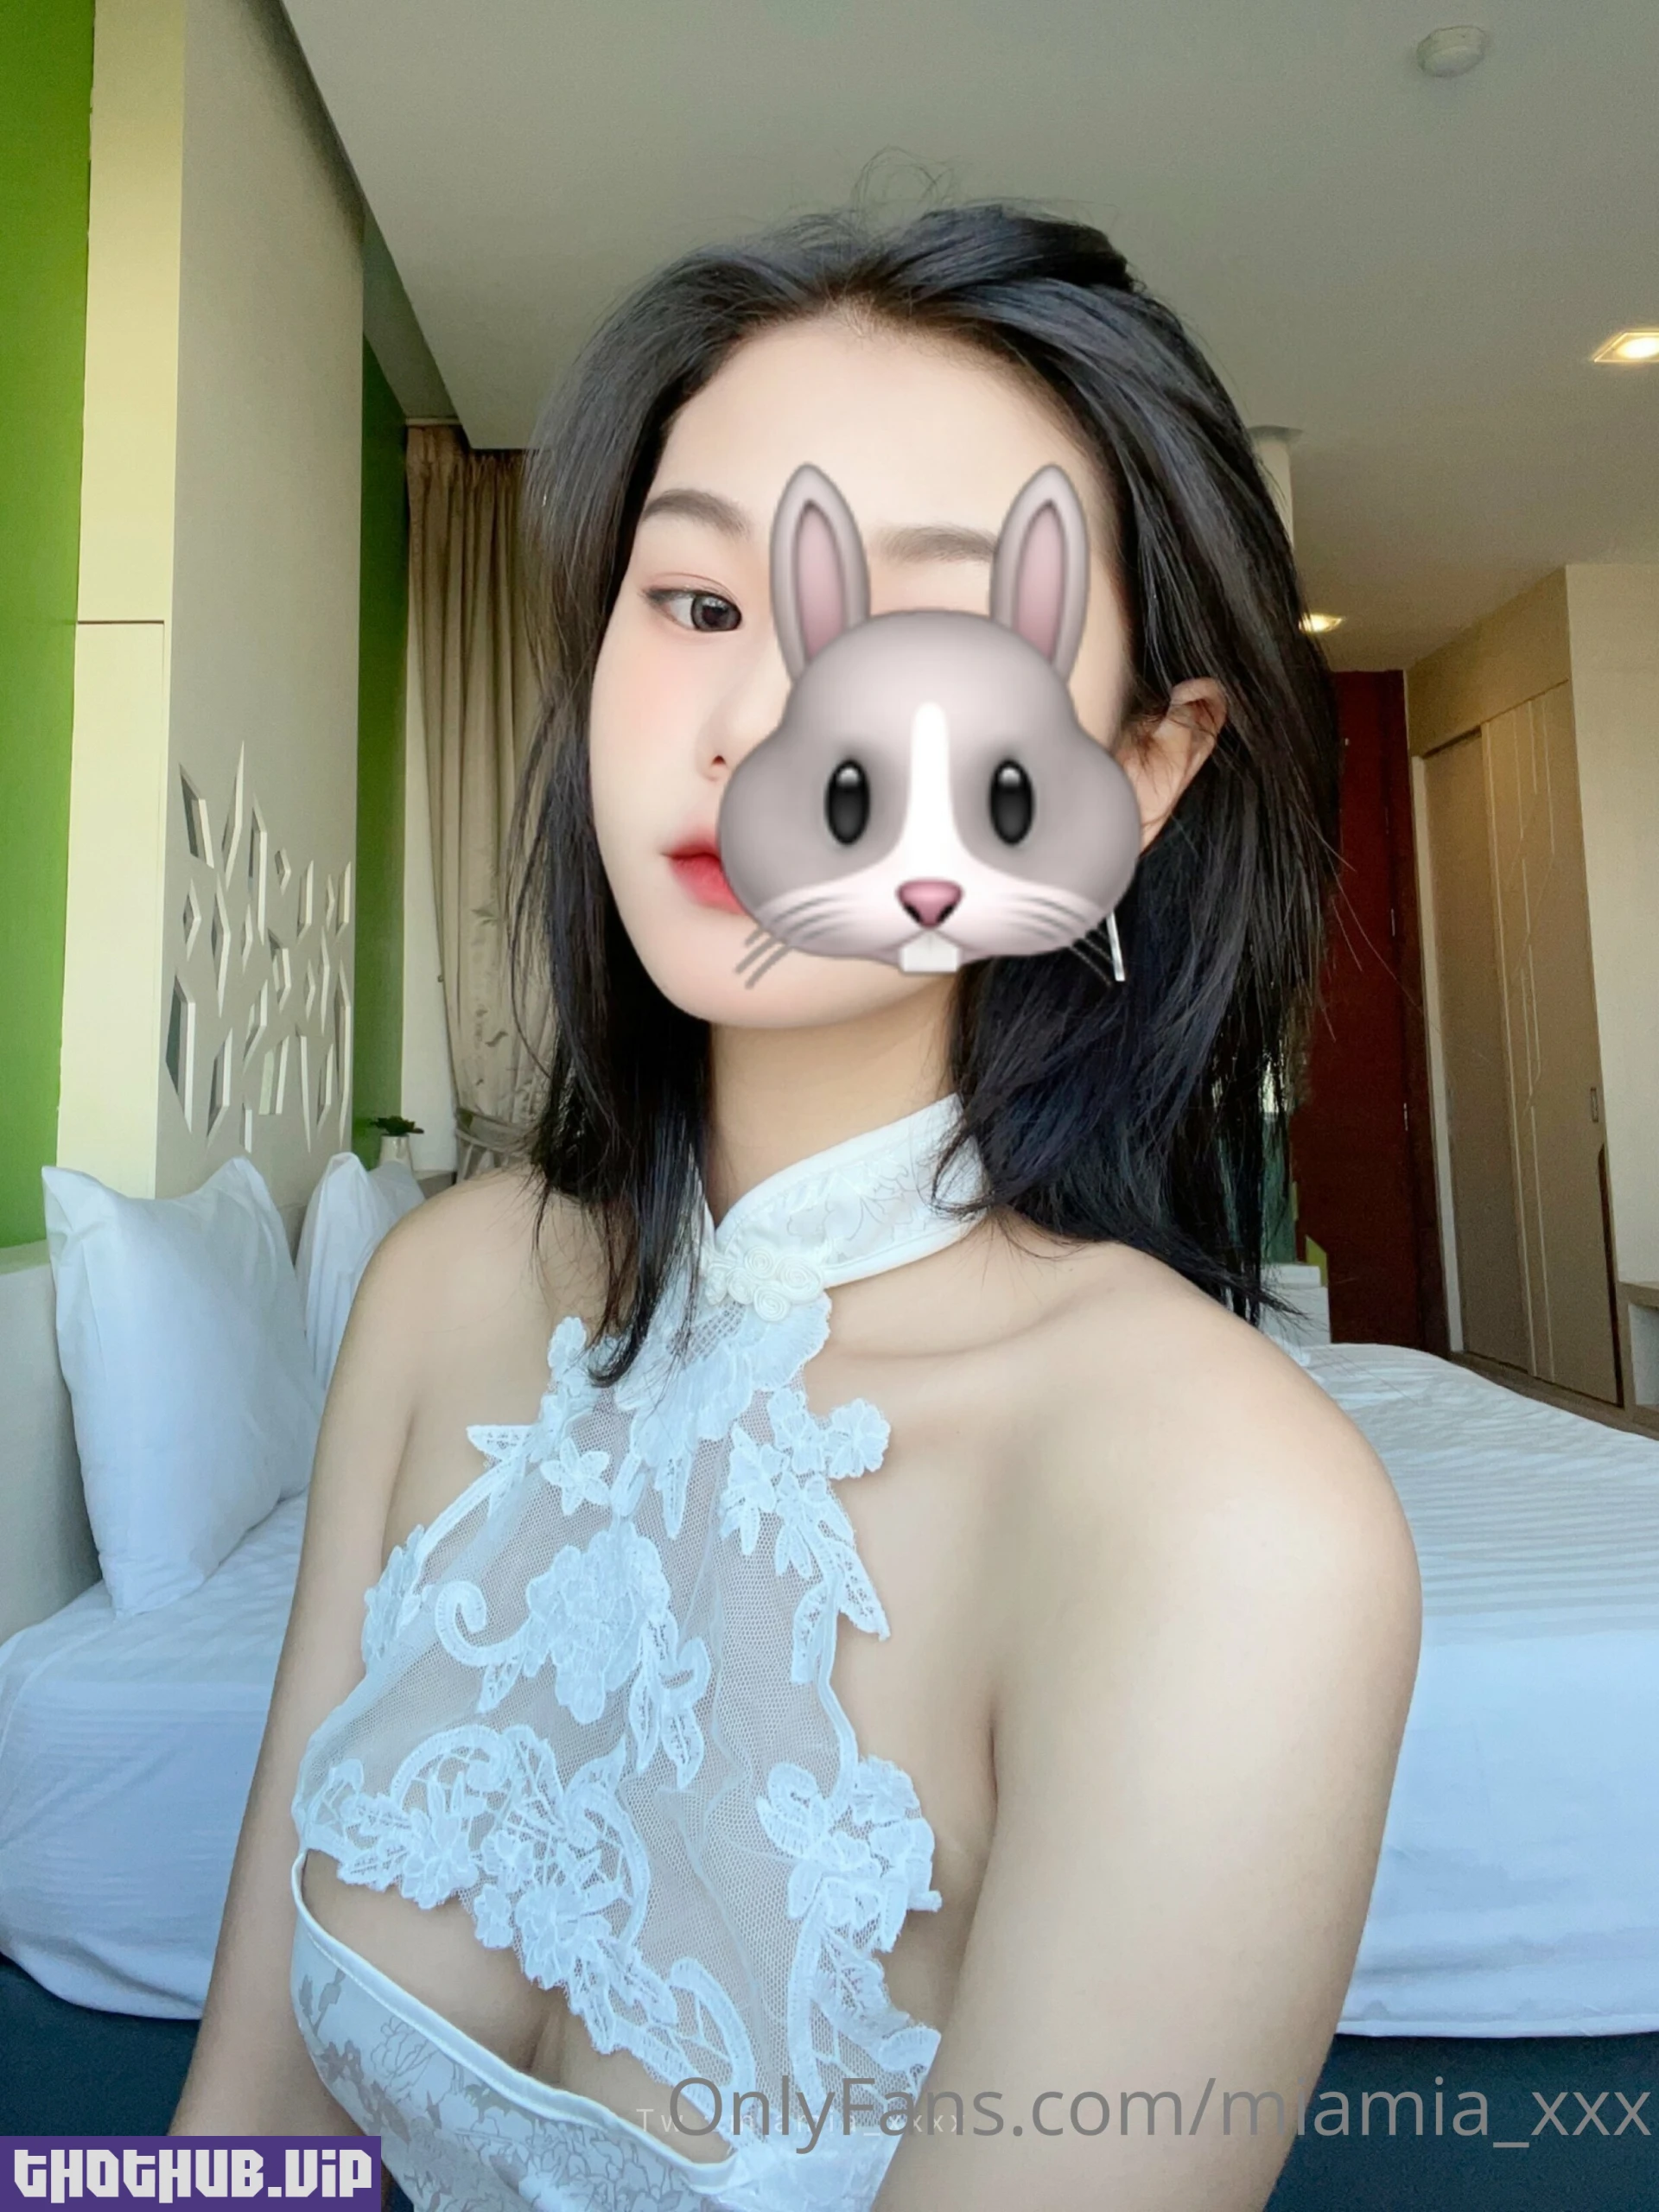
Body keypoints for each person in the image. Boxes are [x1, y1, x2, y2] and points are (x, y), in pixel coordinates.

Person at [173, 200, 1421, 2212]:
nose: (765, 720)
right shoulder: (441, 1292)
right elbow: (241, 2142)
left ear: (1142, 766)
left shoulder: (1228, 1512)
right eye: (694, 599)